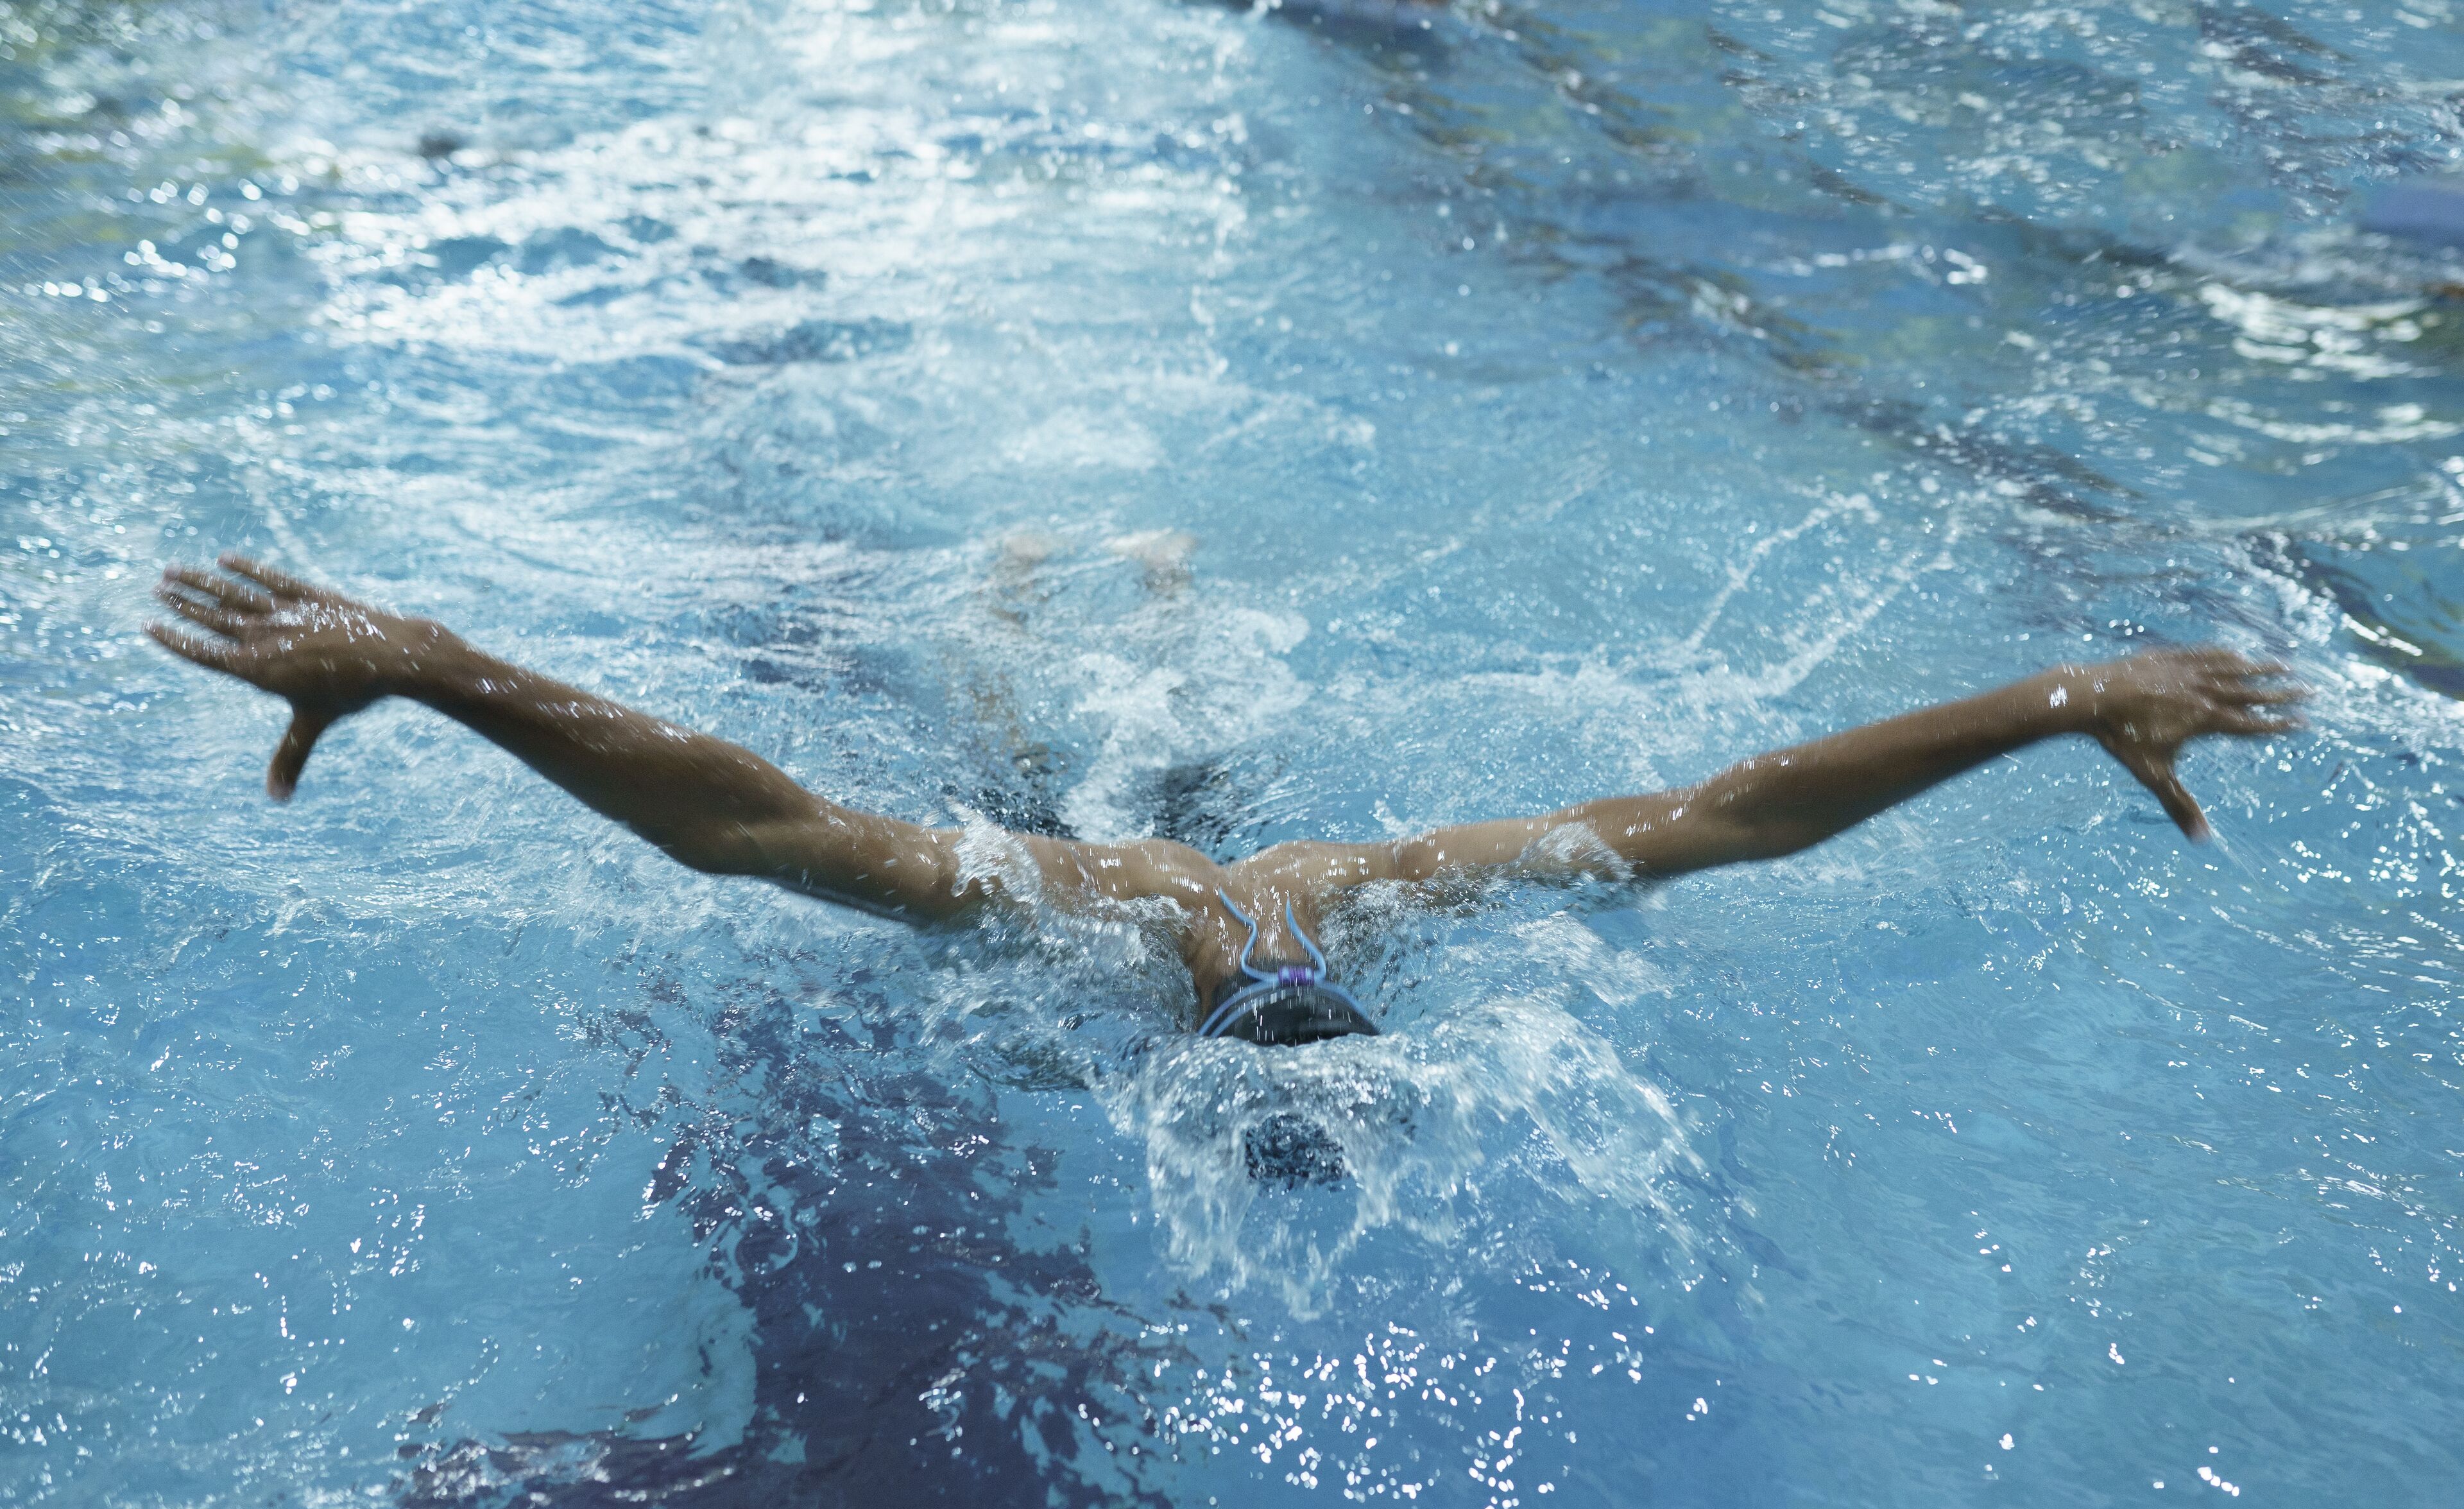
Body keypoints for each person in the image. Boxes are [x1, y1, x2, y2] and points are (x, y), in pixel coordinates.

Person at [150, 556, 2306, 1045]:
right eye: (1253, 946)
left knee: (1128, 767)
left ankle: (1078, 598)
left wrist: (2059, 700)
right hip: (1078, 824)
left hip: (1171, 829)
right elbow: (751, 819)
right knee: (1043, 765)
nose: (1248, 933)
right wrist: (438, 669)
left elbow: (1740, 814)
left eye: (1246, 953)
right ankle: (1036, 596)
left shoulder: (1324, 905)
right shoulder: (1083, 903)